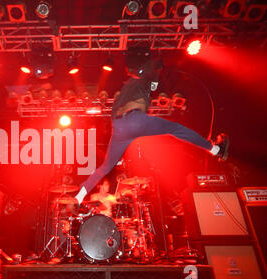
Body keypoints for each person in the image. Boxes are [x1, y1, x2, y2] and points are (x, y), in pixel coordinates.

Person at [75, 49, 229, 204]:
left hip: (119, 127)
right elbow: (153, 79)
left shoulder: (127, 87)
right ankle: (215, 149)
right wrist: (158, 66)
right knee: (176, 129)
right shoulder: (144, 77)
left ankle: (81, 193)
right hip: (135, 120)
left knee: (106, 166)